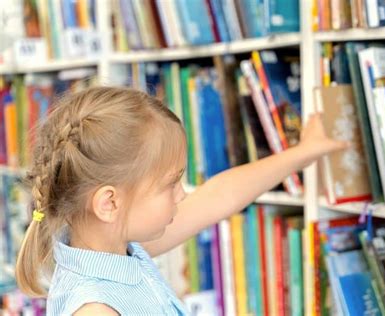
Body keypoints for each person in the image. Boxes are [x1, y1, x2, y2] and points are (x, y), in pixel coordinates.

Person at [15, 87, 348, 315]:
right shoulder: (95, 307)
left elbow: (221, 196)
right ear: (109, 204)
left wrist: (304, 153)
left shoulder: (118, 249)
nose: (183, 194)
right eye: (171, 183)